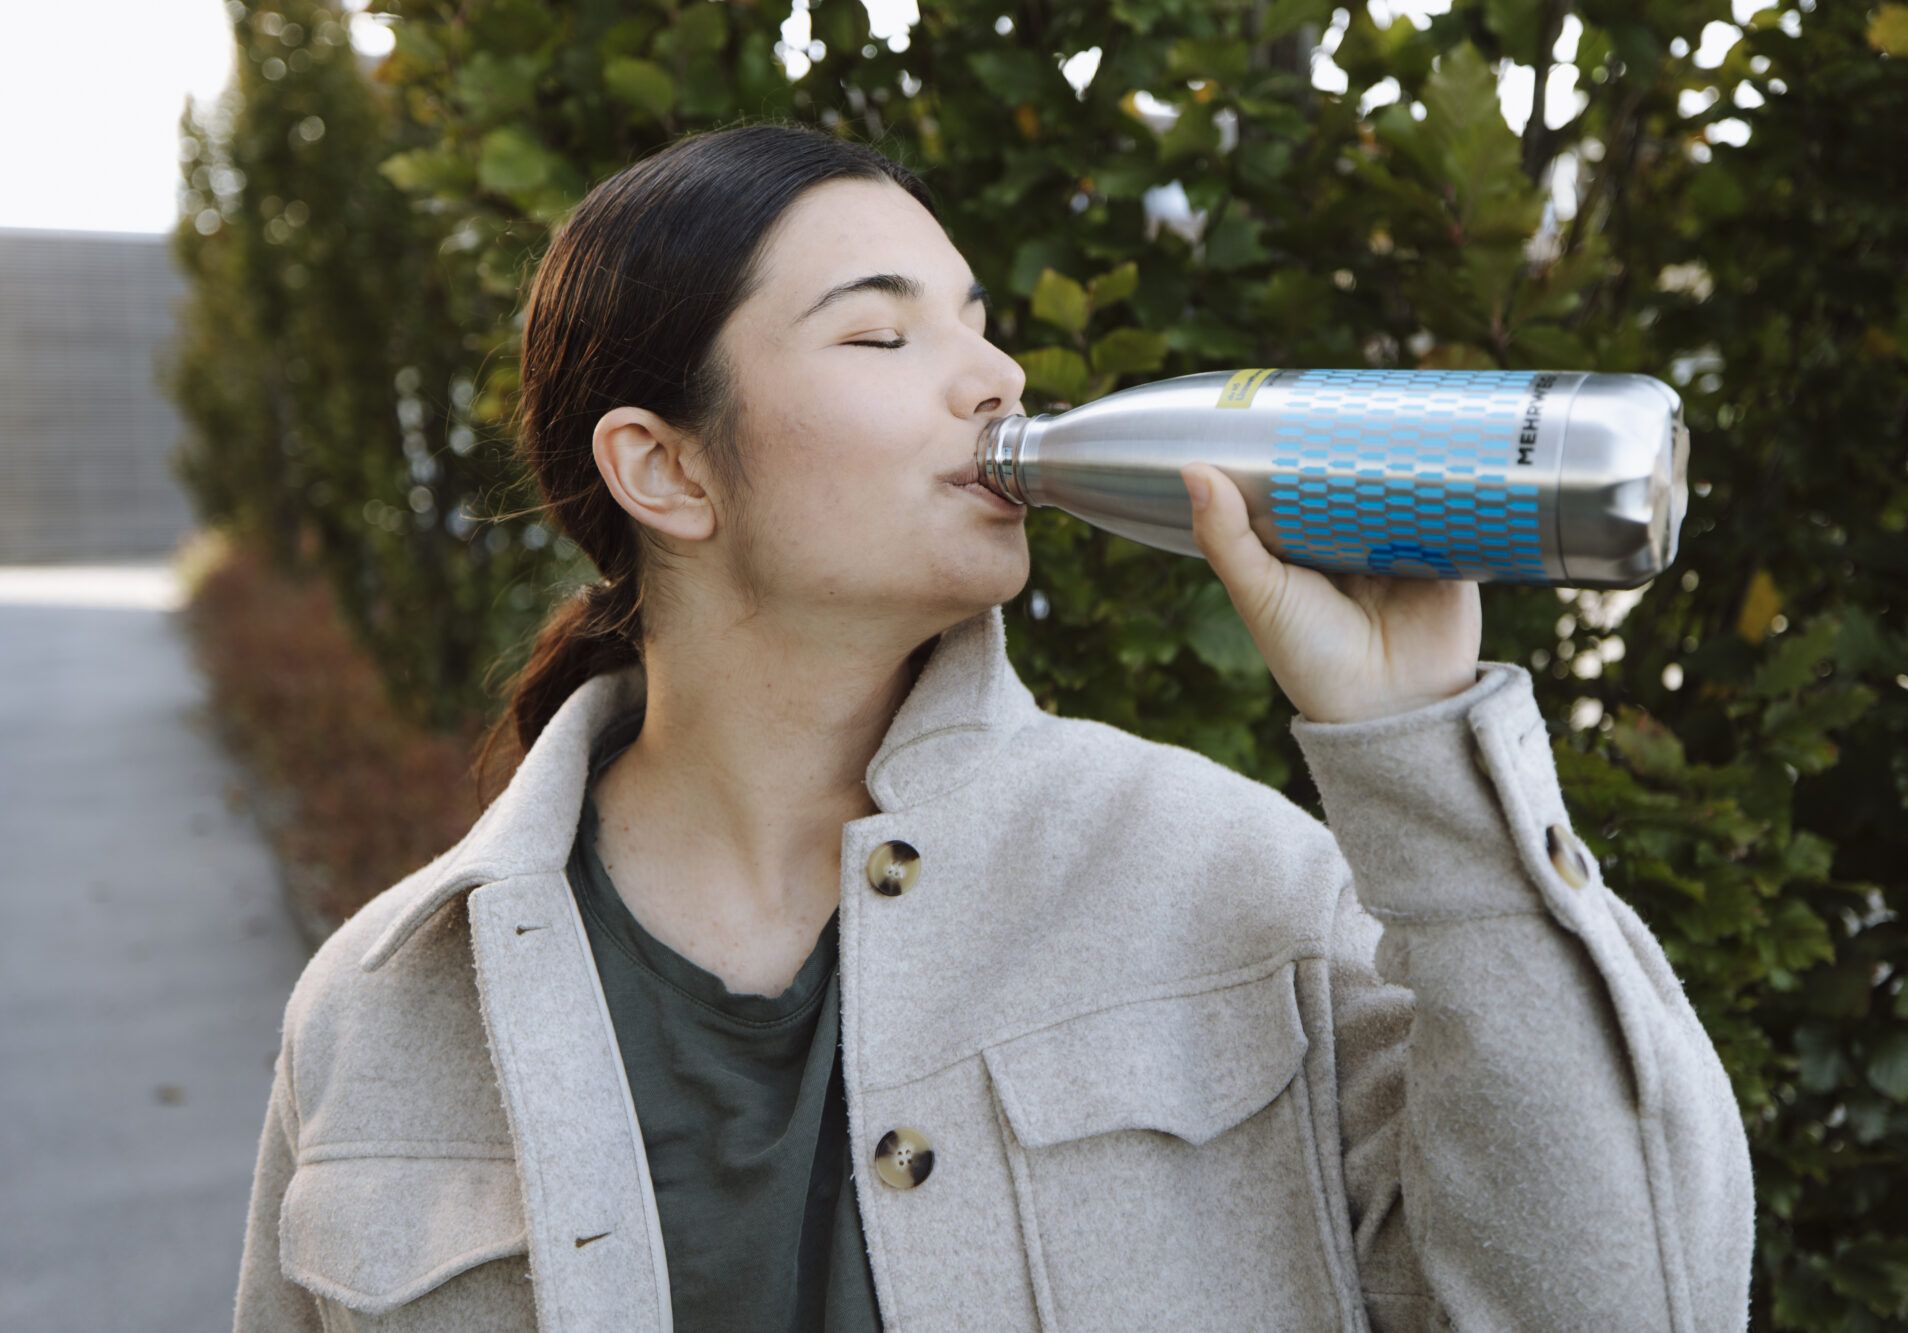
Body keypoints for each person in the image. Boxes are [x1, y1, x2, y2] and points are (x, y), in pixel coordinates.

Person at [232, 119, 1755, 1332]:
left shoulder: (1228, 883)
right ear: (667, 472)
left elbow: (1628, 1299)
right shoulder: (376, 1014)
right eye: (882, 337)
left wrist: (1429, 755)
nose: (998, 376)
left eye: (981, 321)